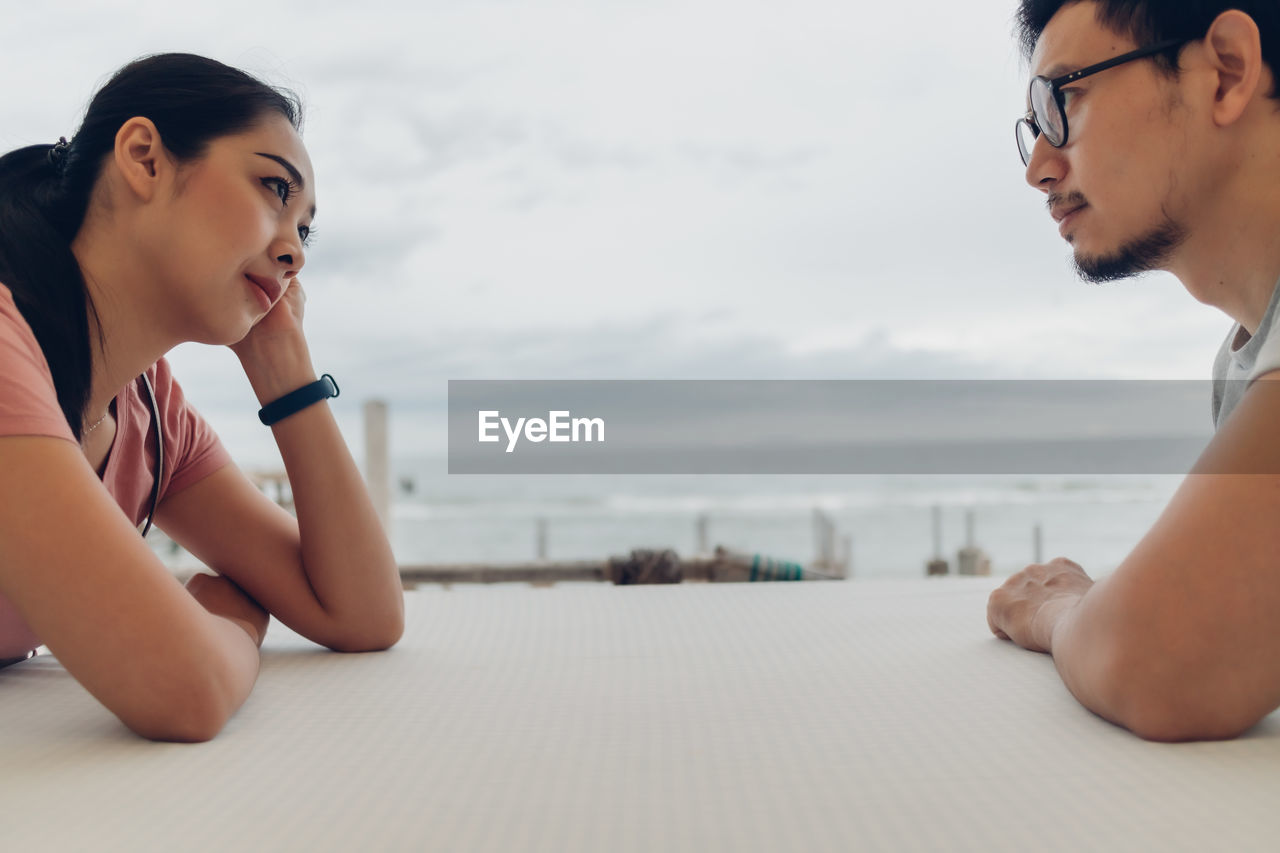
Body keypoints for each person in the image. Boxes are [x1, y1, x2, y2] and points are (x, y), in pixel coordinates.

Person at [0, 53, 404, 741]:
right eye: (275, 189)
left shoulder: (149, 411)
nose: (296, 252)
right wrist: (235, 621)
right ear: (145, 159)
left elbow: (363, 612)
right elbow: (184, 687)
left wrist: (288, 376)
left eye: (305, 230)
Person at [987, 0, 1280, 741]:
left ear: (1227, 72)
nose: (1039, 167)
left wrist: (1056, 607)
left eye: (1066, 100)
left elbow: (1162, 659)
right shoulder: (1248, 356)